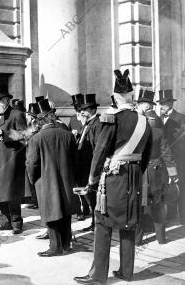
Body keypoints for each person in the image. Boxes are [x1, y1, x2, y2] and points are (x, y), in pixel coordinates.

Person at [74, 69, 152, 284]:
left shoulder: (110, 118)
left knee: (103, 224)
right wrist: (134, 173)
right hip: (133, 178)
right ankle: (126, 272)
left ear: (116, 97)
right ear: (132, 96)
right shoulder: (145, 121)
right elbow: (145, 157)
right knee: (128, 224)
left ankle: (98, 275)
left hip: (112, 180)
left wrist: (92, 179)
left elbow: (99, 151)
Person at [26, 99, 77, 257]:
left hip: (46, 181)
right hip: (66, 179)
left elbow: (31, 163)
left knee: (51, 212)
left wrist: (33, 179)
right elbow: (76, 159)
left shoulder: (37, 138)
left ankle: (55, 247)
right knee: (65, 210)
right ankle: (67, 244)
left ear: (41, 120)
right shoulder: (68, 135)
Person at [0, 85, 27, 234]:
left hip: (10, 161)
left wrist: (7, 135)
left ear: (7, 101)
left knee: (11, 193)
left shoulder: (16, 114)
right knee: (0, 193)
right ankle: (7, 221)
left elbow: (25, 135)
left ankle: (16, 223)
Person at [135, 110, 177, 245]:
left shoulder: (137, 133)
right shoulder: (159, 132)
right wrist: (173, 173)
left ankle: (137, 239)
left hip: (139, 172)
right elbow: (166, 153)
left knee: (139, 206)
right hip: (156, 172)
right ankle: (161, 238)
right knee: (158, 204)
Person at [157, 89, 185, 224]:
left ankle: (183, 218)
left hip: (178, 160)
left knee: (181, 187)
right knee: (169, 188)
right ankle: (172, 214)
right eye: (160, 104)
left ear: (170, 104)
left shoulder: (181, 118)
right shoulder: (159, 119)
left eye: (163, 104)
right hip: (165, 160)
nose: (161, 106)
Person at [75, 94, 102, 231]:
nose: (81, 112)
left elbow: (97, 148)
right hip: (84, 166)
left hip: (90, 166)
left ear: (92, 110)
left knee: (93, 197)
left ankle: (97, 224)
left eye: (84, 110)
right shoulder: (87, 124)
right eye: (81, 110)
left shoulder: (97, 124)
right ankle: (94, 223)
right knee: (90, 197)